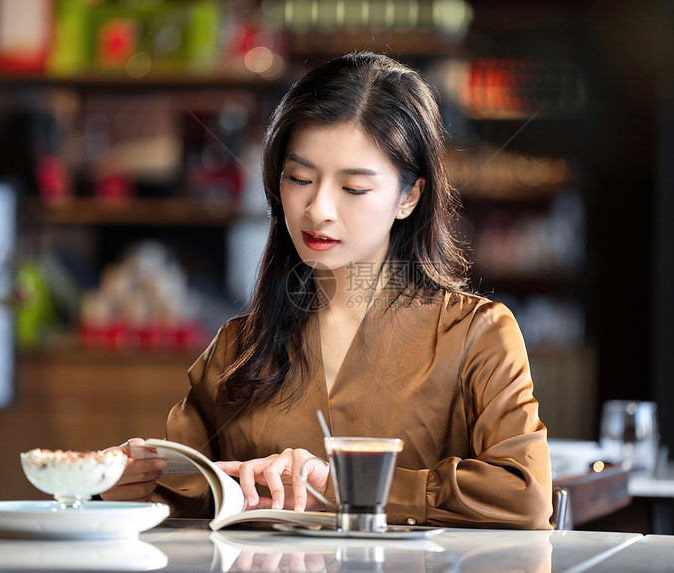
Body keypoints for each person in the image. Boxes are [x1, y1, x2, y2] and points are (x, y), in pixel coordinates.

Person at [102, 51, 553, 530]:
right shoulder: (239, 346)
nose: (318, 209)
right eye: (299, 179)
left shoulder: (476, 335)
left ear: (409, 196)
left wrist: (336, 486)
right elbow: (190, 493)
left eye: (353, 188)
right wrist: (123, 486)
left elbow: (524, 495)